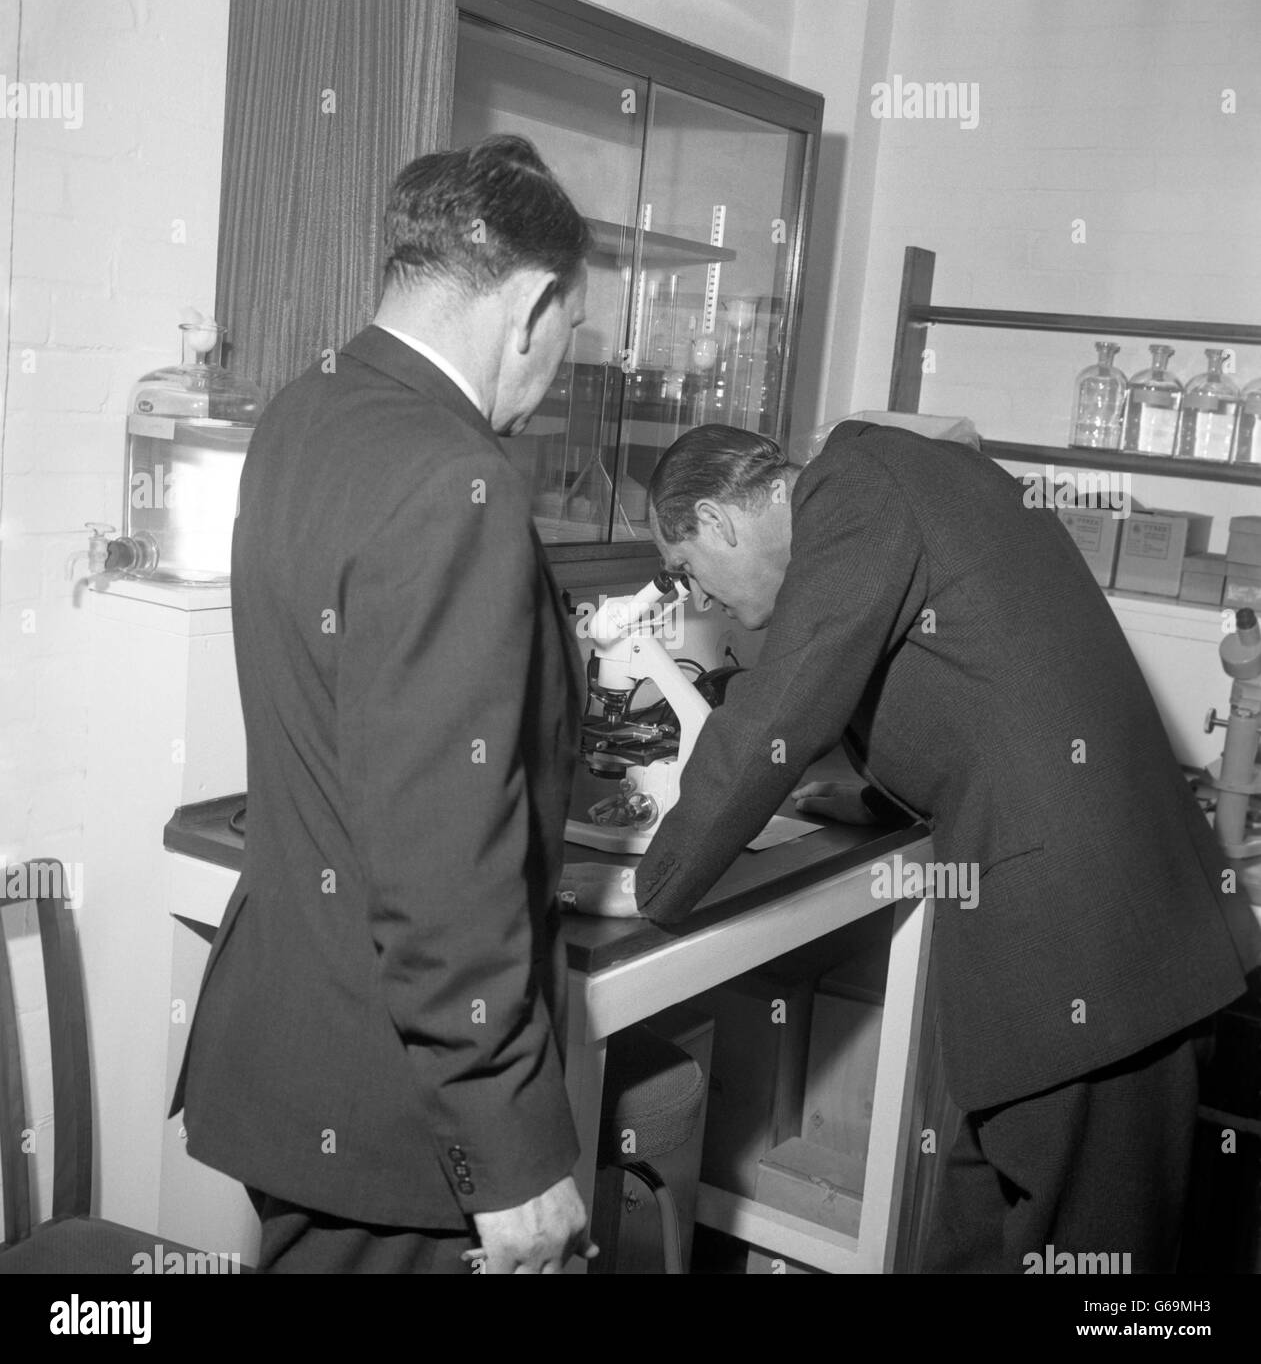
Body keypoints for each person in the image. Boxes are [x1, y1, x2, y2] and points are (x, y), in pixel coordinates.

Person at [565, 419, 1259, 1273]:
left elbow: (782, 706)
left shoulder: (856, 486)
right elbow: (978, 686)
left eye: (685, 571)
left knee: (1100, 1262)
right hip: (1095, 943)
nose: (697, 599)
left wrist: (650, 885)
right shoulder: (901, 481)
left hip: (1098, 958)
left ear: (718, 520)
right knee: (977, 1231)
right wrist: (867, 796)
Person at [173, 136, 597, 1274]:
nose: (559, 362)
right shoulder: (456, 484)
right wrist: (510, 1149)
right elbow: (443, 863)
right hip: (396, 1102)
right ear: (534, 305)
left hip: (293, 1047)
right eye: (569, 332)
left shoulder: (301, 411)